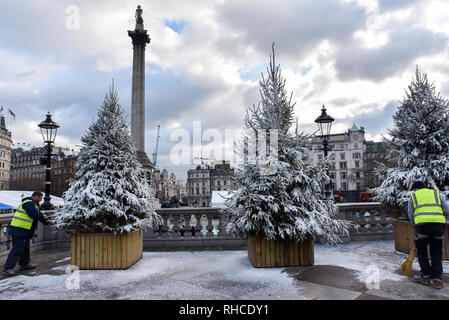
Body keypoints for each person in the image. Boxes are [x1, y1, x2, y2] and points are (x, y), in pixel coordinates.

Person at [408, 181, 449, 289]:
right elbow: (447, 209)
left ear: (416, 189)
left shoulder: (413, 196)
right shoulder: (437, 194)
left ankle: (425, 277)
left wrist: (414, 225)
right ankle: (437, 279)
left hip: (421, 228)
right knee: (436, 252)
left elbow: (411, 214)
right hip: (438, 227)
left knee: (422, 252)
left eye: (414, 189)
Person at [2, 191, 50, 277]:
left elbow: (38, 215)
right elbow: (34, 215)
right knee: (17, 249)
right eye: (40, 198)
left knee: (25, 248)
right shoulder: (28, 203)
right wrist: (43, 217)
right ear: (36, 197)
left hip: (25, 230)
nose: (41, 200)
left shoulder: (34, 205)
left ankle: (24, 264)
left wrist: (49, 222)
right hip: (19, 229)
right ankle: (7, 268)